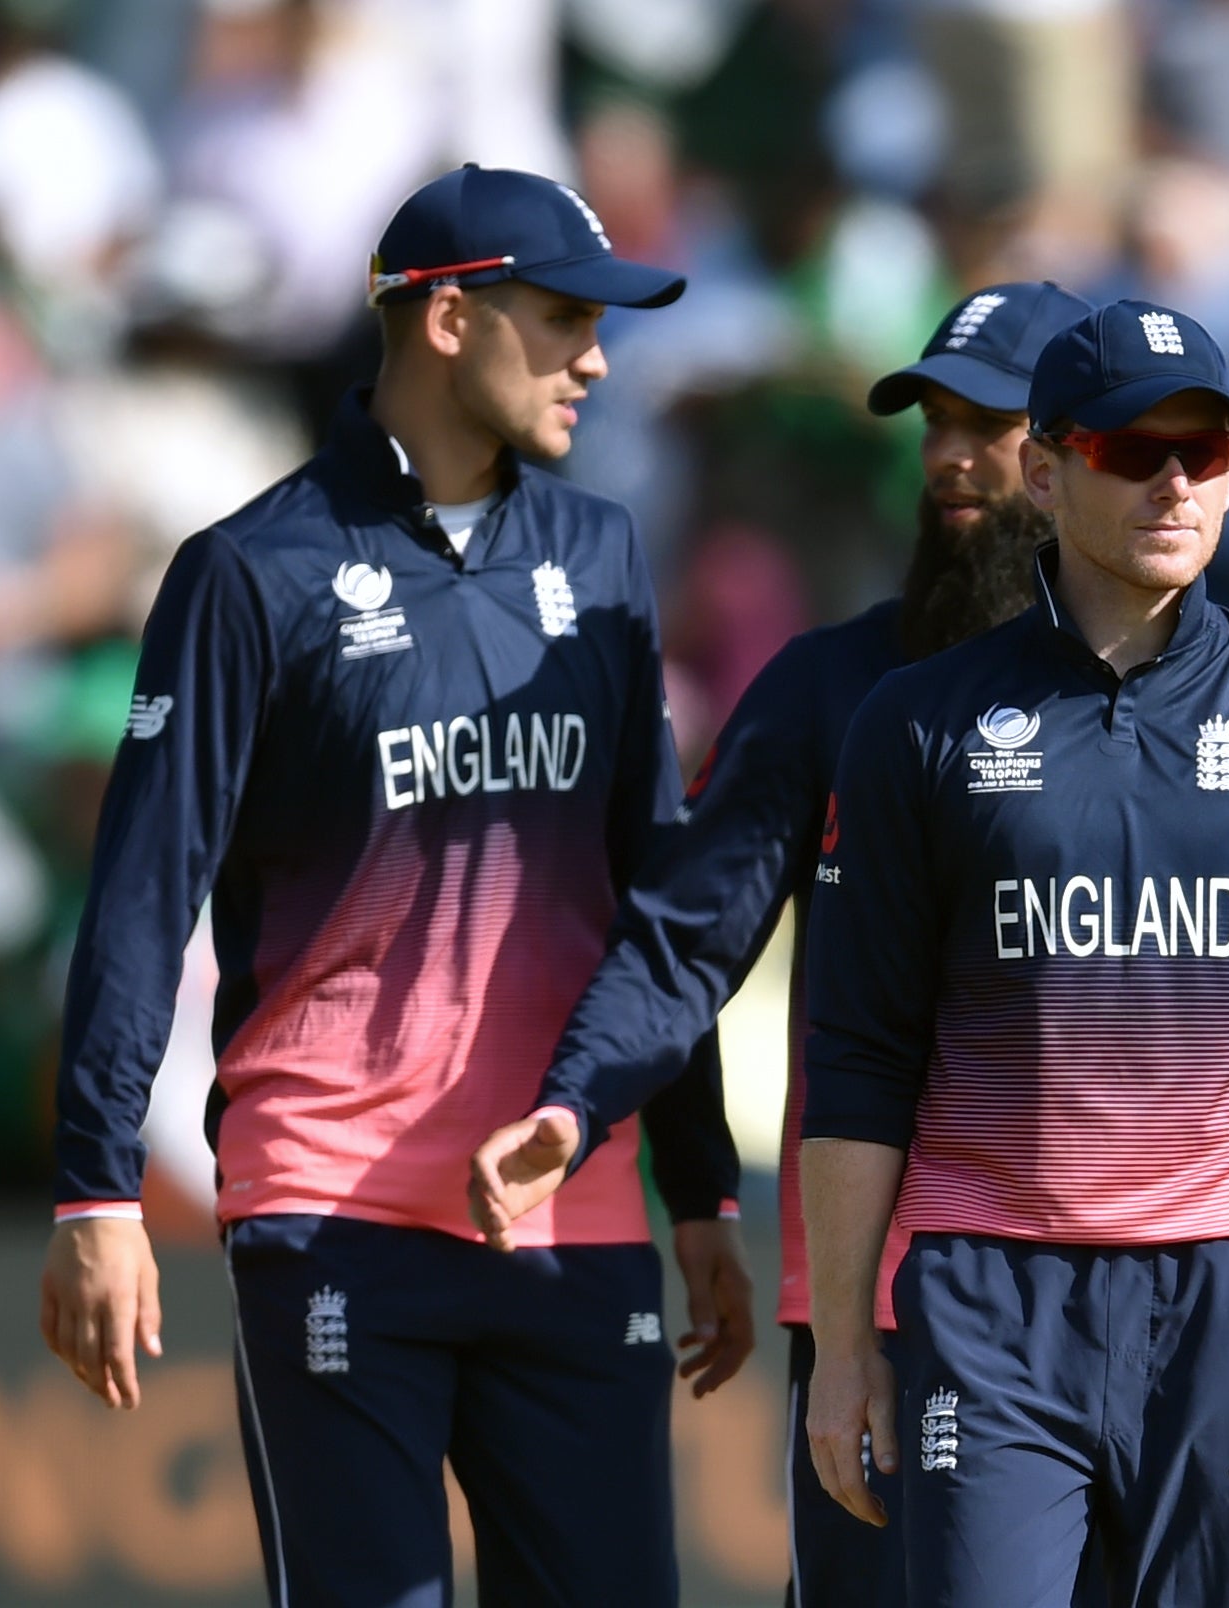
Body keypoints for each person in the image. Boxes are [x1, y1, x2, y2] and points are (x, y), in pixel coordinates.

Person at [40, 164, 753, 1607]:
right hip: (330, 1206)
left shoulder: (603, 555)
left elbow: (655, 900)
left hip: (573, 1217)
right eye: (564, 321)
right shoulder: (250, 572)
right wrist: (93, 1190)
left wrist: (701, 1194)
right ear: (447, 318)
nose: (597, 360)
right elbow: (142, 892)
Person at [799, 300, 1229, 1607]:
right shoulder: (917, 721)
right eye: (1134, 450)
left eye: (1207, 452)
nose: (1175, 482)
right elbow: (861, 1052)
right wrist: (847, 1344)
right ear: (1044, 471)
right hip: (991, 1292)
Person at [478, 279, 1093, 1608]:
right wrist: (577, 1102)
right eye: (934, 426)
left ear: (1080, 447)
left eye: (987, 426)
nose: (949, 460)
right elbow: (683, 938)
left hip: (1142, 1282)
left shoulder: (1202, 694)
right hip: (884, 1308)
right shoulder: (828, 689)